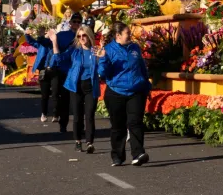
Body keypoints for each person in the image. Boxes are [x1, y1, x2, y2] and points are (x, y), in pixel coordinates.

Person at [98, 22, 151, 167]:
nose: (130, 36)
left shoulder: (135, 48)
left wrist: (147, 85)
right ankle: (118, 156)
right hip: (116, 92)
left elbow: (141, 67)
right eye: (127, 33)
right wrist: (103, 59)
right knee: (118, 126)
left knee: (135, 123)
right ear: (118, 36)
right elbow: (103, 74)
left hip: (136, 91)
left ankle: (138, 154)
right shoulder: (108, 50)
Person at [49, 18, 101, 153]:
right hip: (76, 85)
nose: (82, 38)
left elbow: (103, 69)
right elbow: (58, 59)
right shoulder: (74, 51)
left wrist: (102, 57)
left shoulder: (96, 51)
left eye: (84, 35)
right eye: (79, 36)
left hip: (91, 85)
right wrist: (54, 42)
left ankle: (89, 142)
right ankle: (78, 140)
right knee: (78, 115)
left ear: (89, 36)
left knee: (89, 115)